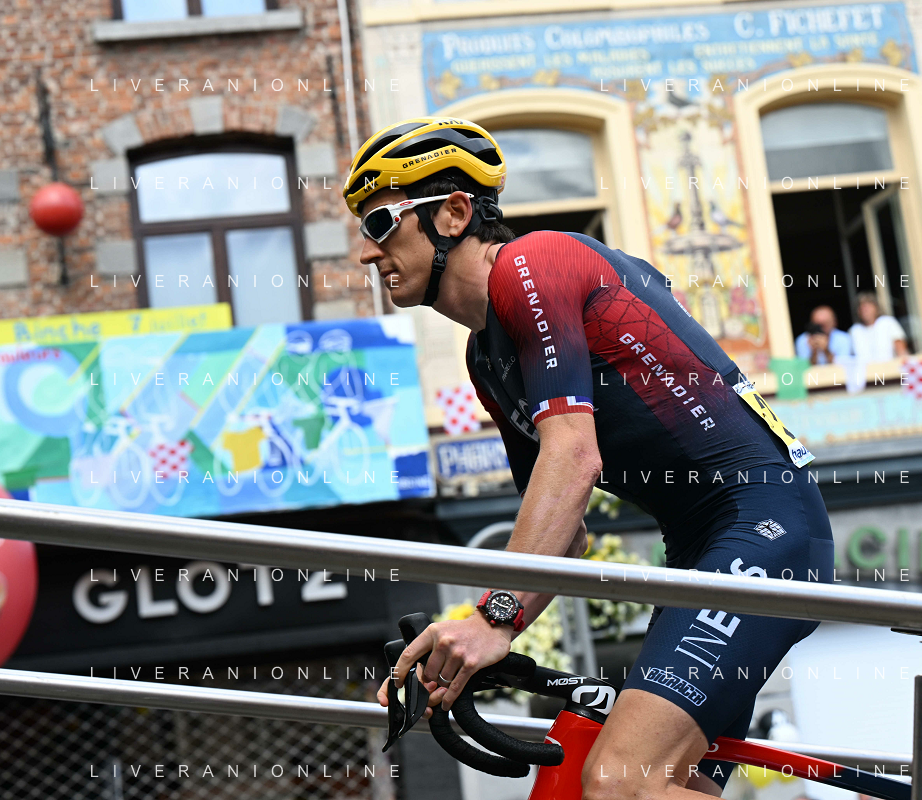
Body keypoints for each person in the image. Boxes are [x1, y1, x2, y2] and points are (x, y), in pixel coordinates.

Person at [350, 117, 834, 799]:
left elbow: (574, 457)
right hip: (700, 555)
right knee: (667, 785)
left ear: (454, 213)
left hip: (766, 529)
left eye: (380, 223)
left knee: (617, 783)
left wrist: (495, 617)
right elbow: (565, 536)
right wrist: (471, 633)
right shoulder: (485, 357)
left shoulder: (534, 264)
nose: (366, 253)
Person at [848, 293, 907, 365]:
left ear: (876, 308)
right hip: (865, 371)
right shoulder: (854, 330)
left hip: (889, 368)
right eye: (861, 308)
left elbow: (901, 351)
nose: (865, 310)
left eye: (868, 307)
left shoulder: (888, 322)